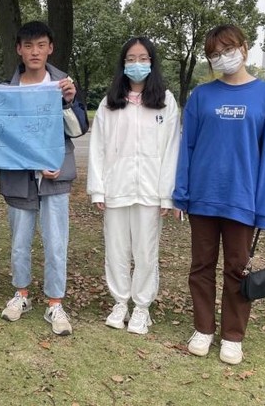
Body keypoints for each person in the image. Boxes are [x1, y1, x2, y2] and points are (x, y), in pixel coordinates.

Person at [172, 24, 265, 364]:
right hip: (203, 198)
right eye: (214, 54)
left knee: (238, 269)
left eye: (228, 49)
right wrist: (182, 194)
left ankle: (233, 336)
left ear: (244, 48)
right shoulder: (202, 96)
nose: (223, 57)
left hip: (243, 199)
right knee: (201, 266)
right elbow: (187, 147)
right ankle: (203, 328)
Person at [0, 21, 88, 336]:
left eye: (40, 45)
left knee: (56, 242)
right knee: (19, 241)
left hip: (55, 175)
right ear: (19, 50)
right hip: (18, 177)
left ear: (50, 48)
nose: (34, 52)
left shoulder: (63, 85)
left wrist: (68, 102)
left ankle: (55, 302)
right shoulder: (6, 90)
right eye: (28, 46)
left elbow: (78, 130)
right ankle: (21, 294)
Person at [86, 37, 180, 335]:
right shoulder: (110, 102)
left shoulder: (165, 101)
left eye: (142, 58)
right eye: (130, 59)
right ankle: (120, 302)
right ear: (123, 63)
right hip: (116, 188)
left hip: (150, 191)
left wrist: (166, 195)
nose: (136, 64)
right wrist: (98, 188)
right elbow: (98, 147)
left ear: (151, 62)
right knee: (116, 249)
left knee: (145, 251)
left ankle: (141, 307)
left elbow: (171, 149)